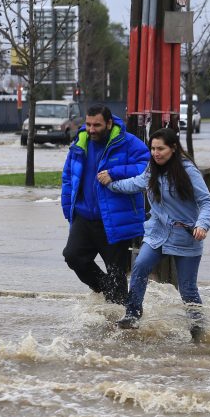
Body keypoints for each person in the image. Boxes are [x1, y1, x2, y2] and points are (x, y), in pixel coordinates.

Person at [97, 128, 210, 332]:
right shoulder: (152, 169)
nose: (155, 153)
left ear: (173, 148)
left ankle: (198, 328)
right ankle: (132, 314)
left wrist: (202, 225)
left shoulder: (188, 171)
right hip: (157, 233)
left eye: (160, 148)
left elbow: (207, 201)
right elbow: (135, 184)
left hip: (185, 236)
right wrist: (111, 184)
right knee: (140, 266)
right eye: (152, 148)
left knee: (187, 289)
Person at [61, 105, 151, 304]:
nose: (91, 129)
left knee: (116, 272)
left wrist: (115, 173)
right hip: (83, 216)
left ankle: (121, 319)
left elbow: (146, 166)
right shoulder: (80, 141)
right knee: (72, 256)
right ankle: (107, 291)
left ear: (109, 124)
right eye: (88, 124)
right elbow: (69, 176)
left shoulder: (128, 143)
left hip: (114, 218)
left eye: (97, 125)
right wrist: (68, 209)